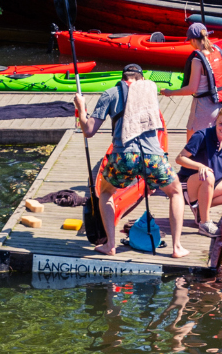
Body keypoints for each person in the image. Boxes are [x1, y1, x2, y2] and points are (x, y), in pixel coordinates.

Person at [74, 64, 188, 259]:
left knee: (106, 192)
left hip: (124, 156)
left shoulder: (110, 94)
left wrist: (80, 107)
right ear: (141, 79)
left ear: (123, 78)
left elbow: (89, 131)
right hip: (153, 157)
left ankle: (110, 245)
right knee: (176, 192)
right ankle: (177, 248)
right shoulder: (150, 92)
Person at [174, 103, 222, 234]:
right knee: (208, 175)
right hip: (190, 184)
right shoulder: (201, 136)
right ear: (216, 121)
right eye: (221, 124)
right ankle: (205, 223)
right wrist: (200, 166)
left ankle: (199, 211)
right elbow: (179, 158)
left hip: (211, 184)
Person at [159, 22, 222, 139]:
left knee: (192, 150)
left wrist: (170, 92)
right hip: (220, 105)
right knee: (214, 146)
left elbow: (191, 89)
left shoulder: (197, 60)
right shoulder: (217, 52)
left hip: (203, 109)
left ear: (192, 40)